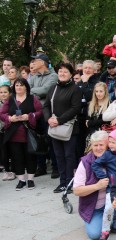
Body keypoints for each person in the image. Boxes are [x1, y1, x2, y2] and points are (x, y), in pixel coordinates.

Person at [43, 63, 82, 193]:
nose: (62, 73)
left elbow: (75, 108)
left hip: (69, 128)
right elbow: (46, 106)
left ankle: (69, 183)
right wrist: (48, 119)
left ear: (71, 74)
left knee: (69, 156)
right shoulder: (53, 88)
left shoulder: (75, 89)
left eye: (65, 71)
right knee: (59, 156)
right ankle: (62, 183)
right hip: (54, 127)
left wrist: (59, 120)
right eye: (60, 71)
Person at [0, 78, 43, 190]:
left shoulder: (32, 98)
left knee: (30, 156)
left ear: (26, 87)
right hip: (14, 134)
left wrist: (29, 116)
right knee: (17, 157)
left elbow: (39, 112)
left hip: (28, 132)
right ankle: (21, 180)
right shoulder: (10, 100)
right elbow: (2, 114)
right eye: (17, 85)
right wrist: (10, 118)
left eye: (21, 85)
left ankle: (30, 180)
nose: (18, 87)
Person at [73, 131, 110, 240]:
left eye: (101, 145)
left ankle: (110, 221)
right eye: (95, 145)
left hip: (112, 204)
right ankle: (100, 220)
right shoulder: (85, 162)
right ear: (91, 146)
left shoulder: (113, 159)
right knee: (94, 234)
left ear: (107, 145)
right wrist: (97, 186)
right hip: (94, 207)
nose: (98, 148)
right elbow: (77, 191)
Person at [28, 53, 59, 178]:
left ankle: (56, 167)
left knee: (51, 140)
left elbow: (46, 90)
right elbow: (26, 89)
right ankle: (41, 167)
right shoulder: (33, 76)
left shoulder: (53, 76)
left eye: (36, 60)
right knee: (37, 139)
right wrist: (36, 93)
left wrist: (33, 92)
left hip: (48, 112)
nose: (33, 62)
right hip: (35, 112)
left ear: (42, 62)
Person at [0, 85, 15, 181]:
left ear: (10, 93)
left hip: (11, 130)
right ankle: (6, 170)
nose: (3, 94)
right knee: (3, 152)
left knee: (13, 151)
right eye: (1, 92)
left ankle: (14, 170)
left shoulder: (13, 103)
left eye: (5, 92)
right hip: (1, 131)